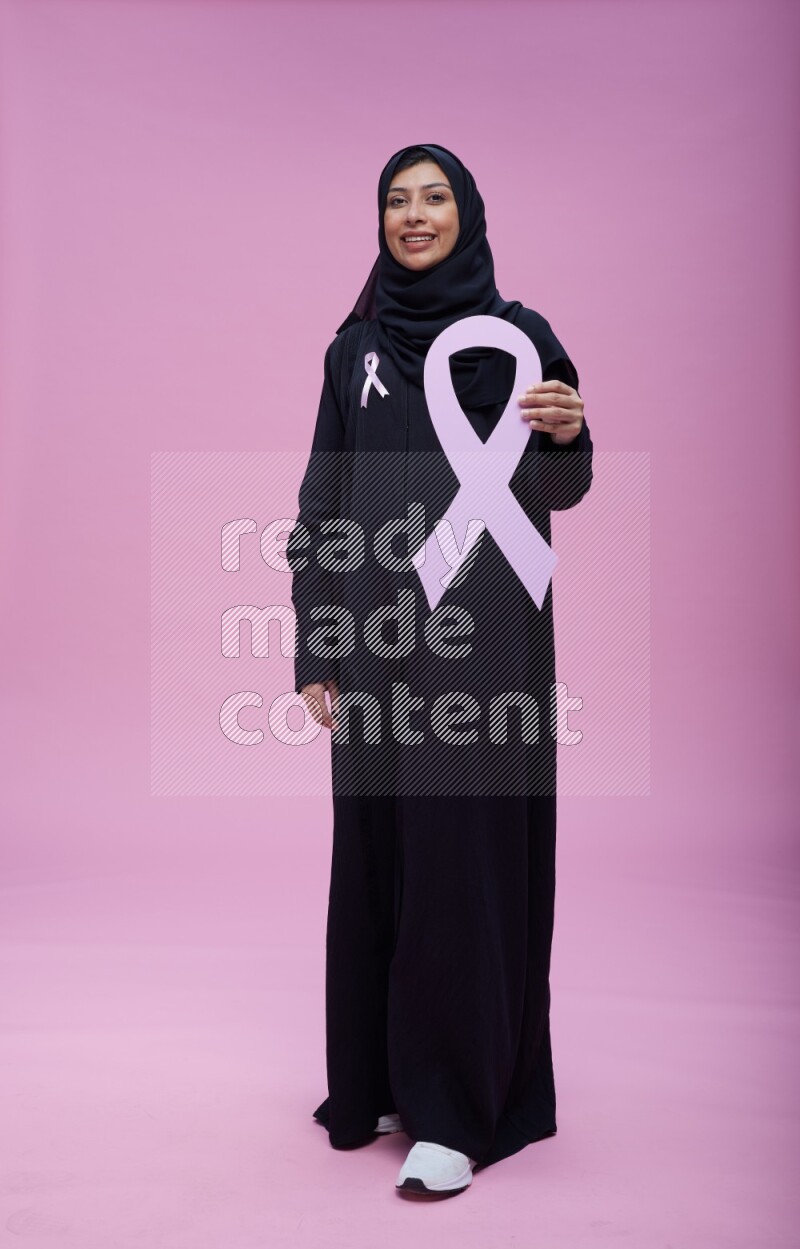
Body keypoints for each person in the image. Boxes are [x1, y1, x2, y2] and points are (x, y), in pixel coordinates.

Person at [289, 143, 593, 1198]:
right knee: (376, 859)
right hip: (371, 651)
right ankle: (374, 1075)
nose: (412, 217)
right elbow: (320, 508)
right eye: (394, 201)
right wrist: (313, 645)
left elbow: (561, 487)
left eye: (432, 200)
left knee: (462, 870)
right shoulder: (352, 349)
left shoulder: (517, 339)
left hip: (483, 656)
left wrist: (569, 433)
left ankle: (459, 1107)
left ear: (465, 214)